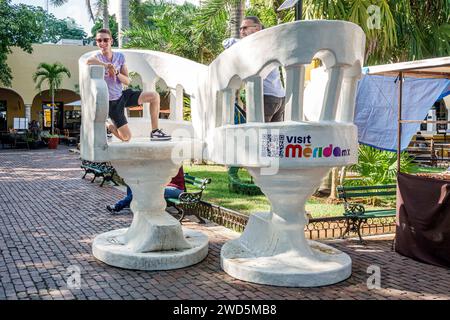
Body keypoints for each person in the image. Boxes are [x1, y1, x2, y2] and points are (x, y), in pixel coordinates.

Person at [86, 28, 171, 142]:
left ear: (111, 41)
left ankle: (155, 131)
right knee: (126, 138)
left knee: (154, 96)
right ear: (96, 42)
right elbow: (88, 61)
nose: (102, 43)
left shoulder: (120, 57)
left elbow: (127, 81)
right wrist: (107, 65)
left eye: (105, 40)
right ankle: (107, 125)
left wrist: (116, 72)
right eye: (99, 40)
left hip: (122, 96)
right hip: (111, 104)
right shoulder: (97, 57)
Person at [222, 16, 286, 123]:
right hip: (279, 96)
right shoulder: (268, 43)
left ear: (258, 28)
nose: (241, 31)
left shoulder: (254, 44)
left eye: (245, 28)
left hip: (266, 97)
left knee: (259, 134)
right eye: (240, 29)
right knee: (274, 136)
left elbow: (227, 42)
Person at [106, 167, 185, 214]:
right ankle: (129, 202)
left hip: (175, 189)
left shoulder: (173, 163)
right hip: (166, 186)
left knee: (143, 191)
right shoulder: (167, 162)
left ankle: (117, 206)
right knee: (133, 183)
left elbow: (160, 176)